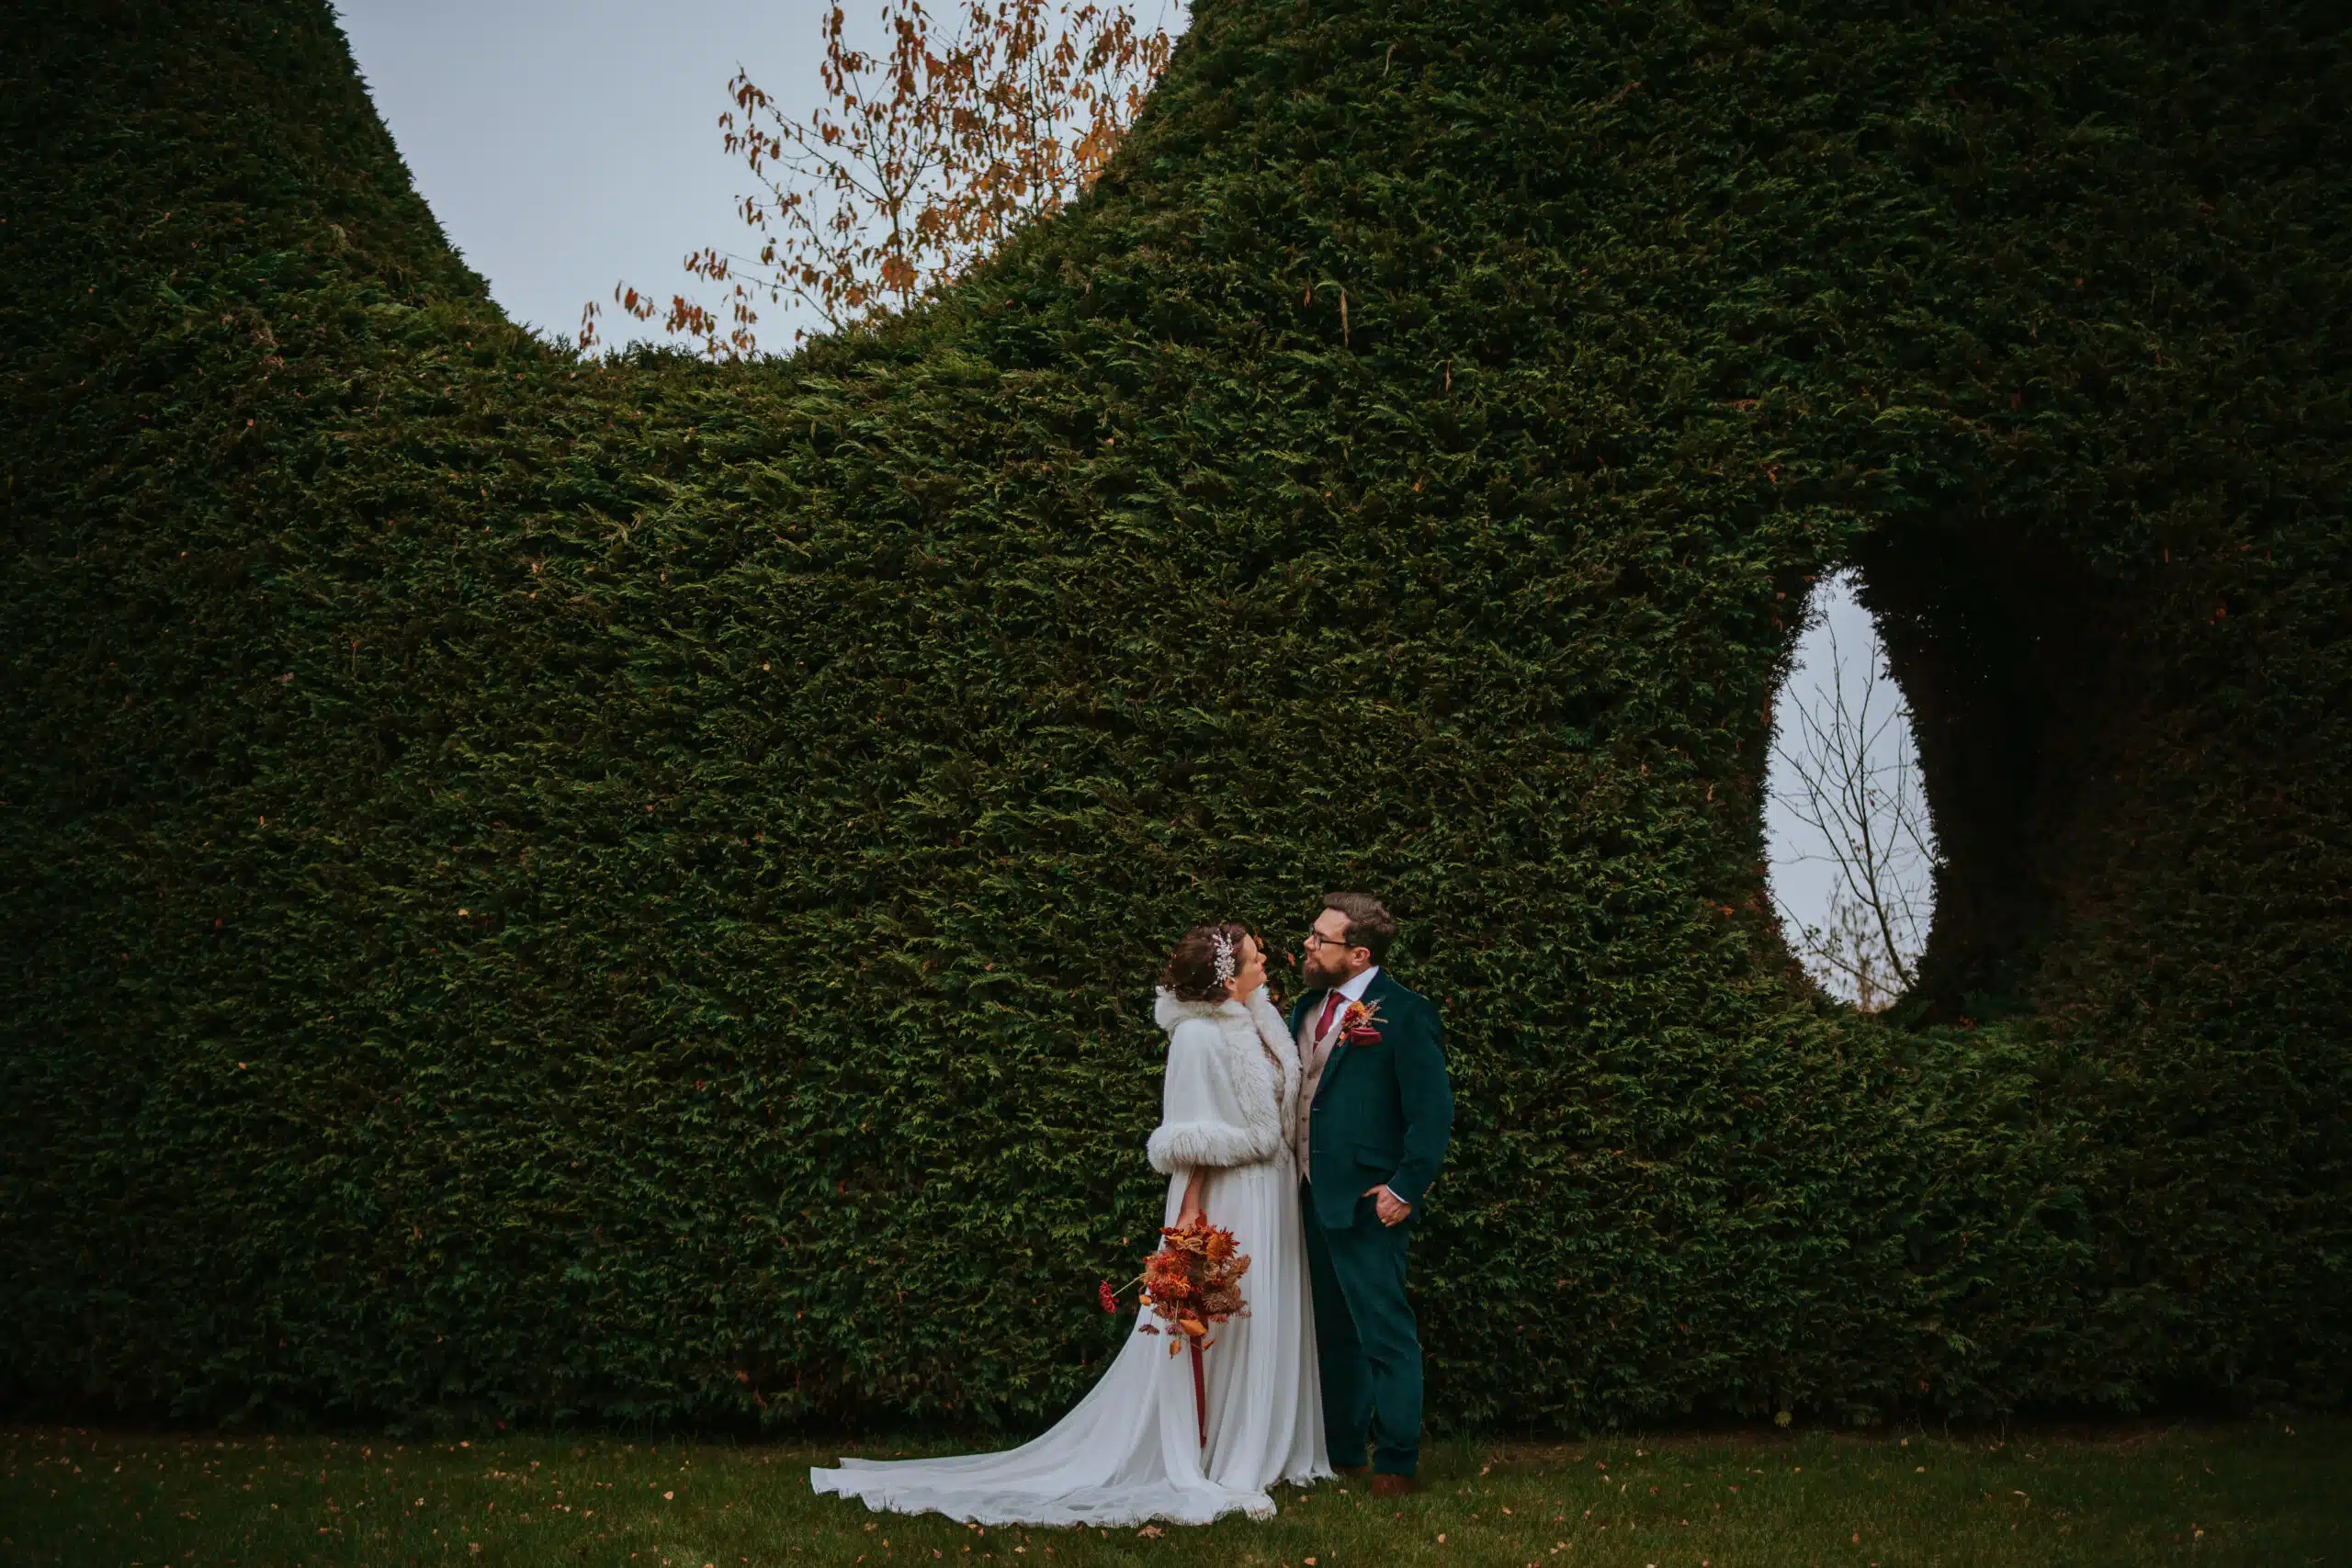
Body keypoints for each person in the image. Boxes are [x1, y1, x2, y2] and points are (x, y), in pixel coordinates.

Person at [809, 924, 1329, 1525]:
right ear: (1226, 974)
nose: (1266, 959)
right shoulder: (1195, 1039)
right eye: (1255, 955)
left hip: (1274, 1196)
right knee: (1228, 1322)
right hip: (1228, 1195)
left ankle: (1270, 1443)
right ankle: (1223, 1450)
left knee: (1268, 1314)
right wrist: (1189, 1215)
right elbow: (1188, 1134)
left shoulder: (1261, 1021)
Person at [1289, 891, 1453, 1495]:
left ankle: (1397, 1462)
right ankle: (1342, 1450)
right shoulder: (1306, 1008)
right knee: (1332, 1332)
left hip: (1368, 1200)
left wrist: (1406, 1187)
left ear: (1358, 954)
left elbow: (1432, 1111)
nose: (1307, 944)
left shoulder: (1406, 1014)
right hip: (1308, 1195)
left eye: (1319, 938)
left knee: (1383, 1332)